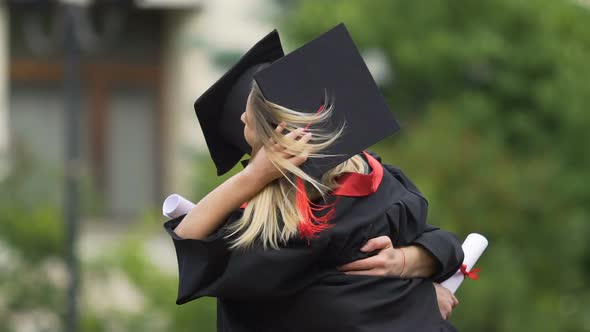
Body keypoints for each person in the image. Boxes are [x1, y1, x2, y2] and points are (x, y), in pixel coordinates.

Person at [164, 24, 463, 331]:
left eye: (248, 114)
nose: (242, 117)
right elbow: (338, 309)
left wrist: (407, 262)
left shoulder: (267, 233)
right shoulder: (379, 190)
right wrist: (420, 295)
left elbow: (190, 241)